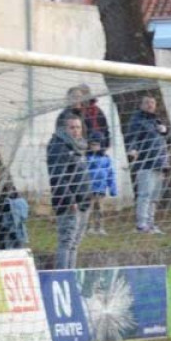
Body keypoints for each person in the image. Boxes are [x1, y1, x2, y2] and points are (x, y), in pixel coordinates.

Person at [48, 115, 92, 269]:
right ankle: (63, 276)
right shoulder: (58, 146)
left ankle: (71, 275)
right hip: (69, 204)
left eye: (78, 127)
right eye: (72, 127)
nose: (76, 130)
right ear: (64, 129)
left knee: (75, 243)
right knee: (66, 242)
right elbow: (58, 176)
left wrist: (87, 197)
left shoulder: (79, 146)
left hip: (84, 201)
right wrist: (69, 200)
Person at [125, 95, 168, 234]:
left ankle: (151, 223)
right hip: (146, 163)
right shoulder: (137, 120)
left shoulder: (156, 121)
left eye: (152, 102)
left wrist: (165, 131)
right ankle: (141, 225)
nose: (150, 105)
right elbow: (132, 137)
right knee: (145, 194)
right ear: (141, 105)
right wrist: (132, 149)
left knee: (154, 197)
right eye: (147, 102)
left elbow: (167, 140)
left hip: (160, 163)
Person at [86, 131, 117, 236]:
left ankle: (100, 228)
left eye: (96, 145)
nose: (94, 147)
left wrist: (112, 188)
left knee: (99, 209)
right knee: (87, 209)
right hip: (89, 188)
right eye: (92, 145)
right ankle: (88, 228)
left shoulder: (106, 159)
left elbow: (110, 174)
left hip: (101, 188)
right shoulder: (86, 158)